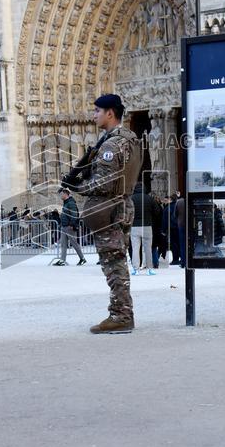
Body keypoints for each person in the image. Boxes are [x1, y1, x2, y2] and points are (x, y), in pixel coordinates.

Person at [62, 93, 141, 334]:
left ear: (110, 113)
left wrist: (77, 187)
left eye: (97, 111)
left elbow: (104, 183)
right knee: (117, 261)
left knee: (113, 263)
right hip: (122, 206)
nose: (94, 115)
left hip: (110, 208)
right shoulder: (130, 139)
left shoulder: (110, 145)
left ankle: (121, 315)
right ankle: (121, 312)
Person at [129, 181, 159, 275]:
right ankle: (150, 269)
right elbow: (157, 211)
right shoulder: (149, 198)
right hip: (147, 225)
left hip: (134, 226)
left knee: (135, 248)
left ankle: (136, 269)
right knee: (148, 249)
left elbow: (127, 212)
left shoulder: (131, 199)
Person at [53, 188, 86, 266]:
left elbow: (74, 214)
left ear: (65, 194)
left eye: (61, 194)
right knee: (63, 244)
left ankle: (82, 258)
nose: (60, 196)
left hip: (69, 227)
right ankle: (62, 260)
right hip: (64, 226)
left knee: (74, 243)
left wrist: (72, 224)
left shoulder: (71, 203)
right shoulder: (66, 203)